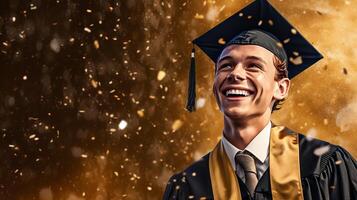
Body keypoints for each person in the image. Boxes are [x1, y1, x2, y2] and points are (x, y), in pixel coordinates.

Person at [163, 0, 357, 200]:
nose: (235, 74)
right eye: (226, 66)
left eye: (253, 66)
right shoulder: (188, 186)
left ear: (281, 88)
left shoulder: (324, 165)